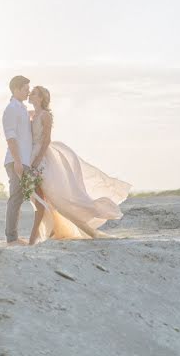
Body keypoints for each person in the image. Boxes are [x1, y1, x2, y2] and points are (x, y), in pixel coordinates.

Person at [26, 86, 130, 244]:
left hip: (42, 159)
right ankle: (53, 230)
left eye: (33, 93)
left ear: (40, 98)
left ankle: (89, 227)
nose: (30, 94)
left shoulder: (45, 116)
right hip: (32, 155)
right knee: (43, 199)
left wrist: (36, 161)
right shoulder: (32, 115)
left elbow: (46, 140)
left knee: (58, 199)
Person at [1, 75, 32, 246]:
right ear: (16, 89)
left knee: (19, 199)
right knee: (15, 198)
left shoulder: (21, 108)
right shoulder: (11, 108)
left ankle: (13, 237)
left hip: (23, 160)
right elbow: (11, 138)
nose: (28, 92)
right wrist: (18, 162)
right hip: (15, 161)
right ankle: (11, 239)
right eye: (26, 89)